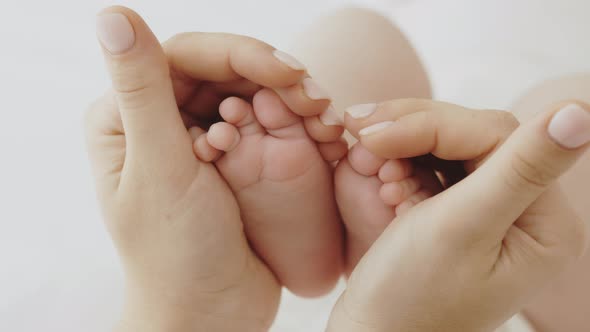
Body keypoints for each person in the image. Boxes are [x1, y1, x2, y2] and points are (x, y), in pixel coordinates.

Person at [86, 6, 589, 332]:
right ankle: (384, 238)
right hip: (466, 305)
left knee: (358, 39)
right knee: (564, 125)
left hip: (213, 308)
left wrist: (186, 308)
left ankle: (325, 219)